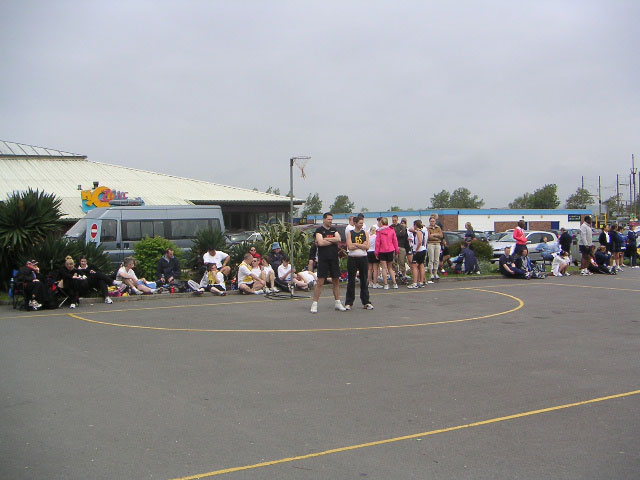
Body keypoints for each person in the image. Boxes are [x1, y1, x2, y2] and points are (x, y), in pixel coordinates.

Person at [310, 212, 347, 313]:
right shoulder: (319, 230)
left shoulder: (334, 229)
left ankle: (338, 302)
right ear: (324, 219)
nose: (330, 221)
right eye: (329, 219)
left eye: (331, 219)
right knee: (320, 282)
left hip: (334, 258)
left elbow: (339, 239)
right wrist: (332, 240)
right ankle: (314, 304)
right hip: (323, 259)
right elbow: (320, 243)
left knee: (336, 280)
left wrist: (326, 239)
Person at [345, 216, 373, 310]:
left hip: (363, 258)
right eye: (360, 223)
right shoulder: (350, 233)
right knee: (351, 281)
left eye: (362, 223)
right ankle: (349, 302)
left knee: (364, 280)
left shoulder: (365, 233)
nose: (362, 225)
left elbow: (367, 246)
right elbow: (350, 246)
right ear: (355, 223)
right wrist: (361, 245)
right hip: (352, 258)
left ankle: (366, 302)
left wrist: (356, 244)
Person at [375, 217, 399, 290]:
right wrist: (397, 250)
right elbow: (395, 241)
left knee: (384, 268)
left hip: (382, 250)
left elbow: (378, 243)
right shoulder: (391, 230)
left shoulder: (379, 231)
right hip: (390, 250)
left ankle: (386, 284)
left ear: (381, 223)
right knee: (390, 268)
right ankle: (394, 283)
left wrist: (376, 253)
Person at [407, 220, 426, 288]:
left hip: (419, 251)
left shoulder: (418, 232)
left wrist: (416, 250)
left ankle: (415, 283)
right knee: (421, 265)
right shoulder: (421, 232)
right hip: (423, 250)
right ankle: (421, 282)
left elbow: (420, 241)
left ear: (415, 225)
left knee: (414, 266)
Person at [426, 216, 444, 282]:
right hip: (430, 244)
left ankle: (435, 273)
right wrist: (436, 236)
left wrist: (434, 235)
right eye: (431, 221)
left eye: (433, 221)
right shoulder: (428, 228)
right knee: (431, 259)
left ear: (435, 222)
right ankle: (431, 273)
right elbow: (429, 237)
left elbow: (441, 235)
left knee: (436, 259)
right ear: (429, 222)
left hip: (437, 244)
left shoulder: (438, 228)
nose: (432, 222)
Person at [392, 215, 409, 281]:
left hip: (401, 246)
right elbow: (391, 236)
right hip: (393, 247)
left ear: (397, 220)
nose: (394, 221)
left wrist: (395, 234)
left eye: (395, 220)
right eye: (393, 220)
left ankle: (404, 275)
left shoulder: (401, 226)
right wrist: (397, 233)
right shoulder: (390, 227)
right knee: (393, 262)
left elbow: (403, 234)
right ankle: (396, 274)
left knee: (402, 261)